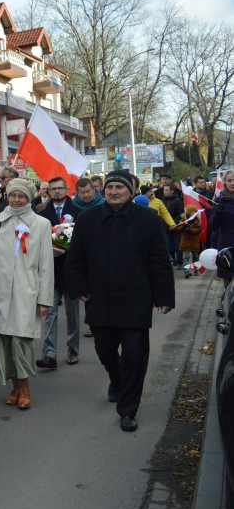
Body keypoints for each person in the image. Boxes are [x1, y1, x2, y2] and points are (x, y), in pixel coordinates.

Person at [65, 170, 175, 432]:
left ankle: (128, 410)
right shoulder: (88, 219)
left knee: (135, 356)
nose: (114, 191)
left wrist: (164, 296)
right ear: (104, 191)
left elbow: (159, 261)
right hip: (99, 298)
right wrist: (79, 287)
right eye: (110, 187)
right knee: (104, 350)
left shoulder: (147, 219)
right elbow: (75, 259)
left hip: (135, 299)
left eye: (120, 188)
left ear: (131, 192)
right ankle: (116, 379)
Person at [0, 179, 53, 410]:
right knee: (3, 341)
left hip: (26, 291)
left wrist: (44, 299)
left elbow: (46, 264)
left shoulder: (41, 224)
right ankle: (14, 386)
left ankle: (25, 387)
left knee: (22, 341)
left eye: (22, 196)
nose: (17, 200)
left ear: (30, 199)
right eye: (13, 195)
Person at [35, 176, 81, 369]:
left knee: (73, 315)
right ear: (48, 192)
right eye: (52, 189)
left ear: (67, 189)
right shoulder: (40, 213)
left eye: (60, 188)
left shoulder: (78, 212)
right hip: (50, 270)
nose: (56, 192)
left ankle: (73, 349)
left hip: (71, 270)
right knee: (49, 313)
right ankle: (49, 354)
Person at [210, 170, 234, 287]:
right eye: (229, 180)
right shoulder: (220, 200)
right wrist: (217, 213)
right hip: (227, 245)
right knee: (229, 281)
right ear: (225, 182)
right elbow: (213, 226)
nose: (232, 183)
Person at [160, 184, 185, 268]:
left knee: (178, 246)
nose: (165, 192)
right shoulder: (162, 201)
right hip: (165, 227)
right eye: (164, 190)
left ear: (172, 191)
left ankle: (180, 262)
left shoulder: (177, 201)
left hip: (175, 227)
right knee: (168, 246)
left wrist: (173, 223)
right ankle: (173, 259)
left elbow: (180, 213)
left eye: (167, 190)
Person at [180, 205, 202, 278]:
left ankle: (196, 271)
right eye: (194, 212)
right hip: (185, 242)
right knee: (185, 258)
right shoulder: (183, 220)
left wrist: (190, 230)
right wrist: (182, 228)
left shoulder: (197, 221)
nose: (195, 213)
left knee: (195, 258)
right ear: (189, 212)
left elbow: (198, 230)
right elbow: (177, 228)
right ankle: (186, 271)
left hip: (194, 242)